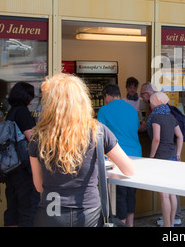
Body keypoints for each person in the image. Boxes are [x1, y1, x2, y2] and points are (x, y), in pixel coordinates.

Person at [29, 73, 135, 227]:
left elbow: (38, 186)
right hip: (88, 213)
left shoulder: (38, 137)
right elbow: (129, 169)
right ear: (82, 101)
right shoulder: (98, 131)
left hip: (51, 213)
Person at [97, 83, 141, 226]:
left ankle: (120, 223)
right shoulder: (132, 109)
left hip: (115, 158)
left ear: (107, 96)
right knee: (130, 193)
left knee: (118, 195)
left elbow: (98, 134)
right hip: (136, 155)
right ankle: (130, 223)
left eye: (104, 98)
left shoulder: (104, 110)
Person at [140, 82, 182, 226]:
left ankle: (167, 225)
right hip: (172, 156)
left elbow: (156, 138)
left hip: (161, 157)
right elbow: (180, 136)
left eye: (151, 102)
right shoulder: (170, 116)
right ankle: (171, 222)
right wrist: (178, 154)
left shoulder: (156, 117)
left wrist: (151, 156)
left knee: (163, 195)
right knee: (172, 193)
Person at [2, 82, 40, 227]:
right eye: (31, 94)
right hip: (24, 169)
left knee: (12, 210)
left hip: (11, 169)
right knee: (28, 210)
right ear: (25, 96)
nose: (34, 97)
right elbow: (32, 139)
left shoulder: (11, 112)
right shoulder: (23, 112)